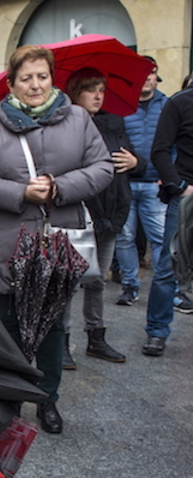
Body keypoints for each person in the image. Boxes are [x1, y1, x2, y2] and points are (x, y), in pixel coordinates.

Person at [0, 45, 113, 434]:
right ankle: (9, 399)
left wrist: (60, 186)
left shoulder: (78, 119)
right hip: (9, 242)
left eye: (42, 76)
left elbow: (102, 168)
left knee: (53, 324)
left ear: (52, 79)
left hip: (58, 240)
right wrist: (20, 193)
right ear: (11, 84)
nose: (35, 85)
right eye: (26, 78)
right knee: (11, 324)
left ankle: (47, 398)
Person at [63, 68, 141, 364]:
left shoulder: (113, 122)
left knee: (97, 280)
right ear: (76, 93)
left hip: (112, 212)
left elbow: (130, 159)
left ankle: (96, 337)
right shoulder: (67, 123)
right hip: (80, 214)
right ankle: (63, 341)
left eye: (101, 89)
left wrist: (136, 161)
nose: (98, 95)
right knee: (68, 282)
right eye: (91, 89)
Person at [144, 82, 193, 356]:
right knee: (168, 266)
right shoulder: (180, 102)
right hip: (187, 199)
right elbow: (160, 150)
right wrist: (181, 186)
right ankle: (157, 331)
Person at [114, 58, 168, 308]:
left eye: (152, 73)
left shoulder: (167, 105)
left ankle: (164, 287)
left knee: (159, 238)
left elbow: (176, 144)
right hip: (126, 183)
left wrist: (170, 174)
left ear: (157, 77)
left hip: (156, 184)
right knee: (125, 238)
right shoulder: (123, 107)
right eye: (143, 74)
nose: (147, 78)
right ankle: (130, 286)